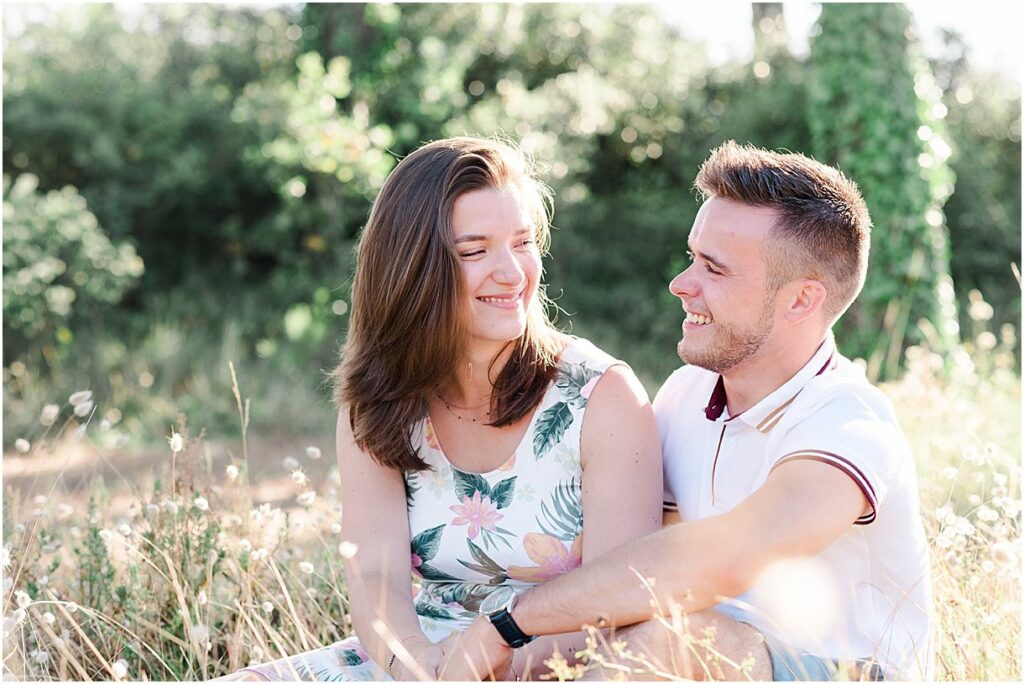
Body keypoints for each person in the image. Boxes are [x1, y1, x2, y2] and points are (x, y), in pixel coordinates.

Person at [439, 141, 932, 681]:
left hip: (842, 670)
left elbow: (726, 557)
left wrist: (508, 624)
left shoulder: (848, 420)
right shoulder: (686, 394)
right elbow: (634, 579)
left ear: (800, 301)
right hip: (689, 659)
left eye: (713, 270)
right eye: (691, 257)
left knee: (674, 641)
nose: (681, 285)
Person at [222, 137, 662, 681]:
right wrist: (415, 663)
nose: (512, 272)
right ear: (412, 268)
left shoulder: (603, 397)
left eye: (522, 243)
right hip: (418, 661)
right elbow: (376, 573)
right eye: (475, 251)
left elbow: (619, 602)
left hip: (560, 667)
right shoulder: (379, 401)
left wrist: (481, 665)